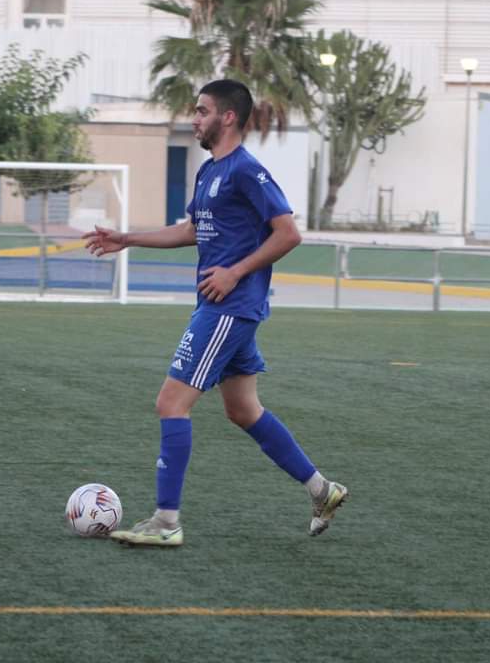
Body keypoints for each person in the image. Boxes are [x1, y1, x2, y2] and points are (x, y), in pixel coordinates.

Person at [82, 79, 348, 547]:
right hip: (226, 308)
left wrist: (235, 272)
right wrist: (127, 238)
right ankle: (321, 490)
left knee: (171, 403)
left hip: (230, 307)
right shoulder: (209, 172)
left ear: (228, 117)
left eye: (202, 111)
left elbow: (288, 233)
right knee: (243, 410)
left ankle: (166, 523)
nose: (195, 118)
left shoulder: (247, 171)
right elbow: (191, 231)